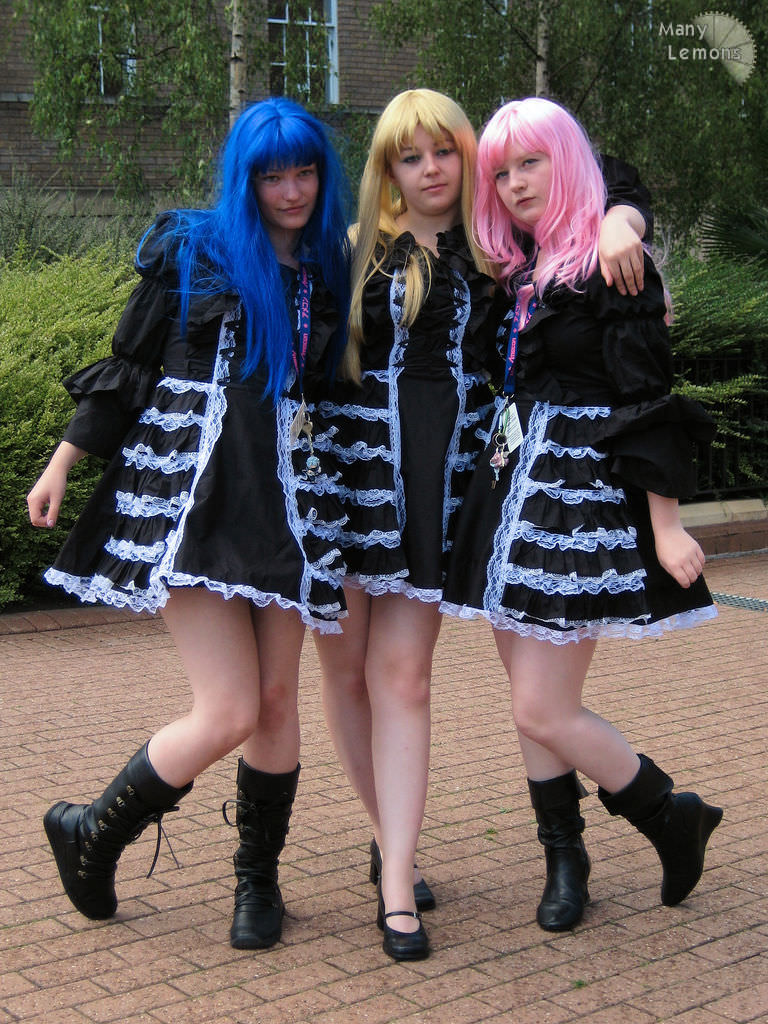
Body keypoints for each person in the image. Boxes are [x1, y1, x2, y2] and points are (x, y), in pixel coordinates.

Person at [314, 88, 652, 961]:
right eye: (409, 156)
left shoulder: (497, 248)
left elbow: (589, 171)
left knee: (404, 679)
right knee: (345, 675)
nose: (430, 170)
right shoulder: (347, 250)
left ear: (468, 159)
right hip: (350, 481)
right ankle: (388, 838)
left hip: (447, 484)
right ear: (387, 168)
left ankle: (397, 882)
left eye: (445, 152)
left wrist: (624, 217)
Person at [26, 97, 352, 951]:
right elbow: (130, 367)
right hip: (192, 492)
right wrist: (63, 463)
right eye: (273, 176)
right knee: (230, 708)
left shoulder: (329, 267)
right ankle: (93, 832)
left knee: (275, 702)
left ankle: (258, 884)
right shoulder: (194, 250)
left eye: (305, 172)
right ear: (246, 180)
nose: (292, 190)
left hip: (285, 500)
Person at [442, 96, 722, 934]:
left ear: (566, 164)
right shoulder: (517, 267)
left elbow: (646, 397)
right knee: (525, 698)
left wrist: (666, 524)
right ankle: (565, 860)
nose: (515, 183)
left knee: (543, 708)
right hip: (509, 490)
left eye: (531, 163)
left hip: (579, 499)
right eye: (501, 172)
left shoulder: (613, 264)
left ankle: (669, 813)